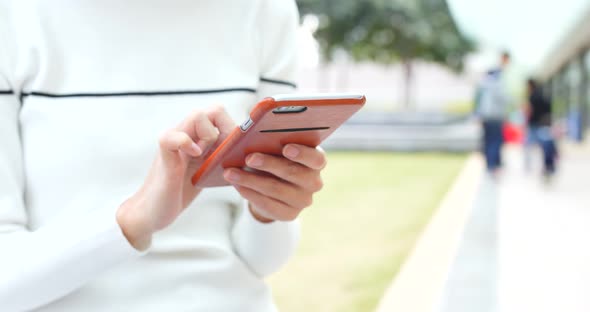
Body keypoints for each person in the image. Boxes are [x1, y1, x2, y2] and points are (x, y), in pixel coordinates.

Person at [0, 1, 325, 311]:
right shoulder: (13, 15)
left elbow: (262, 261)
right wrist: (132, 220)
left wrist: (268, 209)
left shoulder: (265, 8)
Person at [474, 51, 511, 175]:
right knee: (495, 141)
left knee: (488, 141)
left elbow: (478, 101)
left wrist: (478, 115)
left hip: (486, 116)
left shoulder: (483, 85)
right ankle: (492, 165)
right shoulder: (497, 83)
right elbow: (502, 98)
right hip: (495, 116)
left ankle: (490, 165)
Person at [525, 78, 557, 176]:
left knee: (528, 145)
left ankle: (528, 166)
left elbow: (529, 111)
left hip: (534, 124)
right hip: (544, 124)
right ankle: (546, 166)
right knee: (545, 145)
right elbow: (549, 110)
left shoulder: (532, 97)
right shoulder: (544, 96)